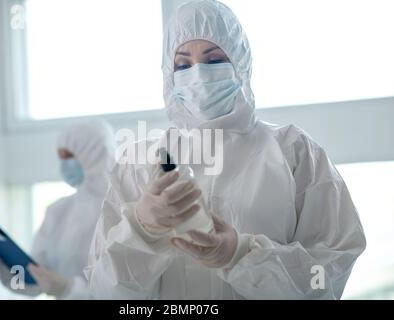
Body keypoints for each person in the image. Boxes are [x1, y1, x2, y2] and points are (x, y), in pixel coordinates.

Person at [85, 0, 367, 300]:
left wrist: (241, 255)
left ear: (240, 63)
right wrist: (140, 230)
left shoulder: (294, 153)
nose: (199, 74)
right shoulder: (139, 162)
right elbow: (103, 291)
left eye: (215, 59)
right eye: (183, 64)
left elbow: (327, 275)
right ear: (169, 73)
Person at [0, 121, 115, 299]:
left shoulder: (126, 212)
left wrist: (69, 289)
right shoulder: (58, 211)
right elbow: (32, 281)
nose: (64, 164)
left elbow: (133, 293)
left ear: (94, 154)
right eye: (60, 157)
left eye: (69, 155)